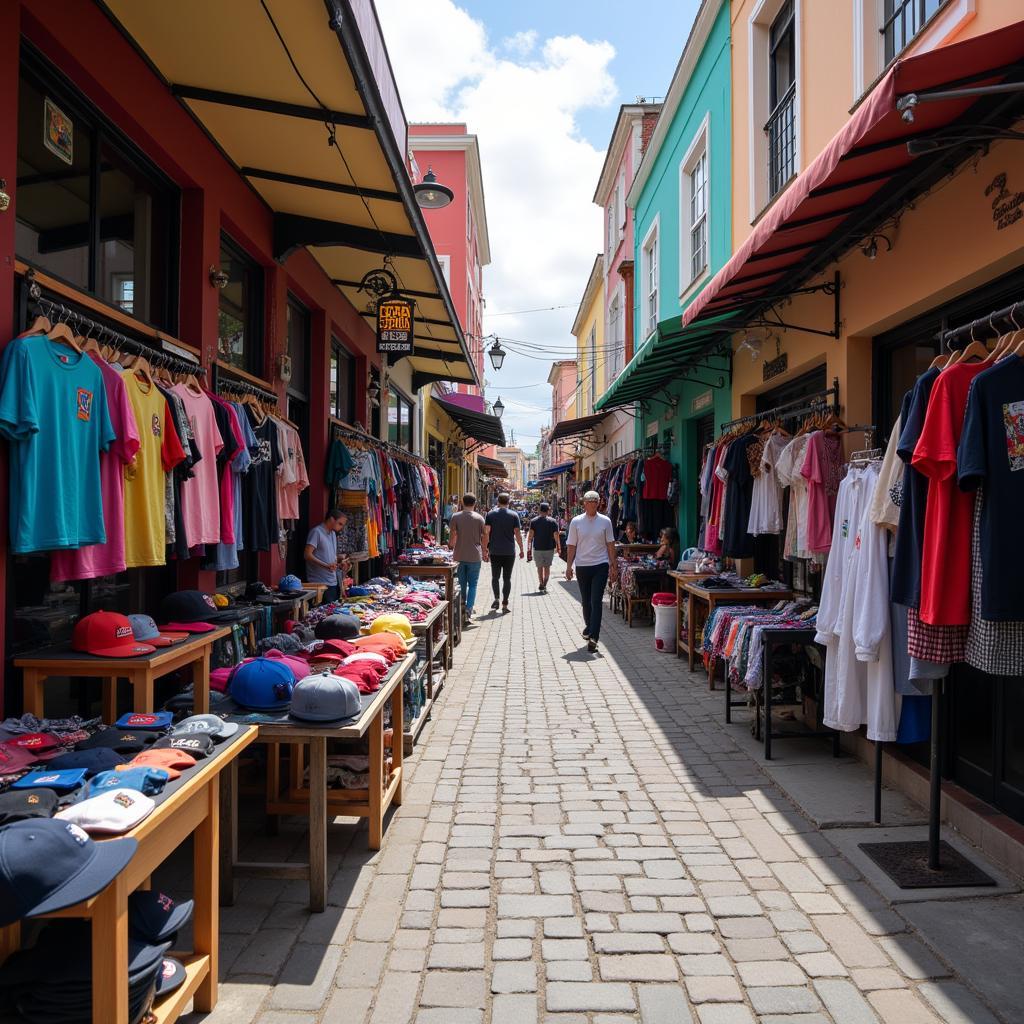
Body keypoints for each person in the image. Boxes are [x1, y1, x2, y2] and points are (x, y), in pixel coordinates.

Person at [564, 490, 617, 653]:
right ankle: (589, 627)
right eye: (589, 501)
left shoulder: (605, 521)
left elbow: (610, 545)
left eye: (595, 501)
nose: (592, 504)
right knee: (586, 602)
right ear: (584, 504)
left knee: (596, 601)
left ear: (598, 503)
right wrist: (568, 567)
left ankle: (594, 636)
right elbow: (571, 545)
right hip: (582, 566)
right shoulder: (576, 522)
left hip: (600, 565)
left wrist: (613, 565)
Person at [449, 493, 488, 624]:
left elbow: (453, 535)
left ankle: (461, 607)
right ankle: (468, 610)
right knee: (473, 584)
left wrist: (450, 546)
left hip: (459, 555)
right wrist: (484, 550)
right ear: (475, 503)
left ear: (462, 502)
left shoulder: (455, 517)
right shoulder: (479, 518)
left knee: (461, 583)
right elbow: (485, 536)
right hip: (475, 556)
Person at [485, 492, 524, 612]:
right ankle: (505, 604)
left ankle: (496, 598)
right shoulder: (514, 515)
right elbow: (517, 534)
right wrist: (522, 549)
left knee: (495, 577)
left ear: (498, 502)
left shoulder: (490, 514)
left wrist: (485, 549)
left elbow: (486, 532)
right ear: (509, 502)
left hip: (495, 550)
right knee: (507, 578)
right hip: (509, 551)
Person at [305, 509, 349, 604]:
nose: (341, 527)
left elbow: (328, 556)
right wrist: (325, 565)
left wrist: (339, 562)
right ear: (332, 519)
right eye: (340, 524)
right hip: (319, 582)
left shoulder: (333, 534)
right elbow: (307, 555)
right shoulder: (316, 532)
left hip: (332, 581)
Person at [527, 501, 561, 592]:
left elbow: (530, 536)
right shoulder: (553, 521)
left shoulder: (533, 521)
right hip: (549, 548)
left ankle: (541, 583)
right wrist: (559, 547)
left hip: (537, 548)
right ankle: (544, 584)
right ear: (548, 510)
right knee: (547, 567)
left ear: (539, 510)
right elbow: (556, 536)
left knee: (539, 568)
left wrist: (528, 549)